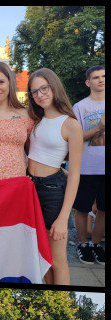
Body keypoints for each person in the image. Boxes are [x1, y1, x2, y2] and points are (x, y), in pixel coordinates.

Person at [25, 68, 84, 284]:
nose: (40, 94)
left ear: (54, 87)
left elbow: (75, 174)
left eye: (44, 88)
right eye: (34, 92)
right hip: (30, 188)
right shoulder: (35, 119)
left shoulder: (71, 124)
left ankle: (64, 310)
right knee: (41, 259)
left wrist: (62, 218)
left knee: (58, 261)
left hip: (53, 192)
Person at [72, 65, 105, 265]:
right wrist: (98, 127)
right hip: (87, 166)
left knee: (103, 209)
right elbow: (76, 138)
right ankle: (83, 244)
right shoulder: (80, 107)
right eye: (96, 77)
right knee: (83, 208)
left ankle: (96, 244)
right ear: (88, 82)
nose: (101, 80)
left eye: (104, 76)